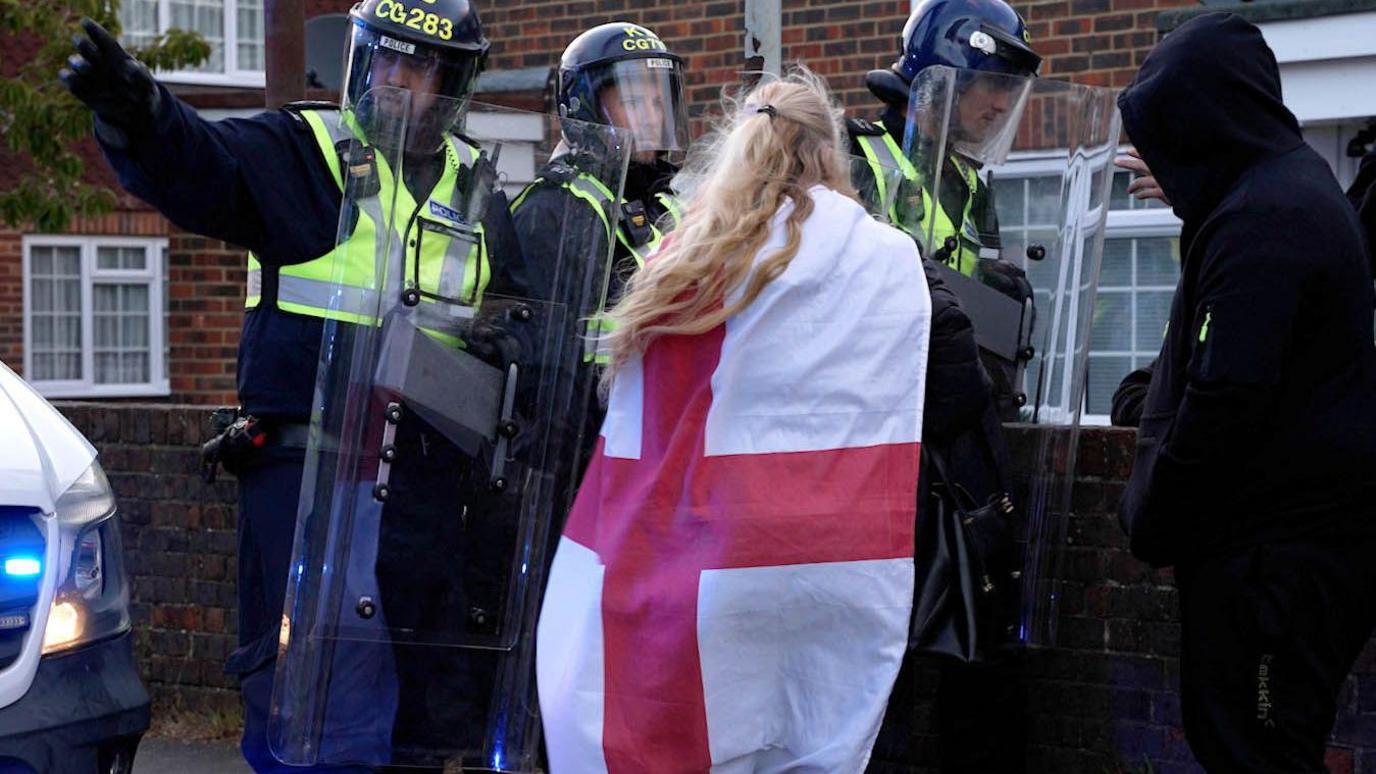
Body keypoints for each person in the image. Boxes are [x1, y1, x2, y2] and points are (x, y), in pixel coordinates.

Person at [60, 2, 523, 769]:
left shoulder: (477, 188)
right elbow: (203, 164)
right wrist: (138, 114)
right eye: (382, 59)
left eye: (417, 64)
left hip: (426, 488)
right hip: (313, 481)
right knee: (310, 708)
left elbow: (512, 302)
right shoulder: (311, 153)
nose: (393, 80)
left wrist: (513, 338)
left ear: (452, 82)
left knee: (421, 706)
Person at [535, 69, 930, 772]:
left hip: (712, 555)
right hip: (839, 562)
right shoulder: (889, 255)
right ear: (830, 152)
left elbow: (628, 413)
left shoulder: (685, 255)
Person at [1117, 13, 1376, 771]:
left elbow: (1224, 402)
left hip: (1278, 574)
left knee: (1257, 751)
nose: (1155, 161)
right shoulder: (1282, 192)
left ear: (1206, 123)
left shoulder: (1264, 220)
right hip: (1286, 558)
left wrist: (1152, 518)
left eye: (1170, 134)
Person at [510, 22, 688, 509]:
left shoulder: (666, 209)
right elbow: (550, 381)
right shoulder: (553, 210)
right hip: (585, 468)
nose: (652, 117)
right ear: (587, 109)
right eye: (634, 102)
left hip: (659, 452)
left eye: (658, 102)